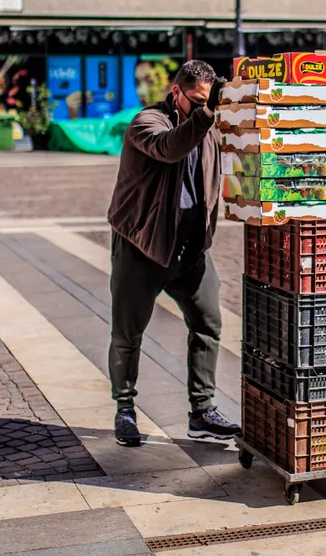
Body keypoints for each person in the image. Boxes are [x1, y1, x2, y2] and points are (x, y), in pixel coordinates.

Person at [106, 60, 239, 447]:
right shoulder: (146, 123)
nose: (200, 109)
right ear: (176, 92)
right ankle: (125, 409)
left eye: (206, 102)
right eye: (194, 101)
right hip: (143, 246)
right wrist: (208, 114)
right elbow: (170, 148)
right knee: (127, 334)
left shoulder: (211, 127)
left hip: (191, 248)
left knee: (208, 324)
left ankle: (202, 412)